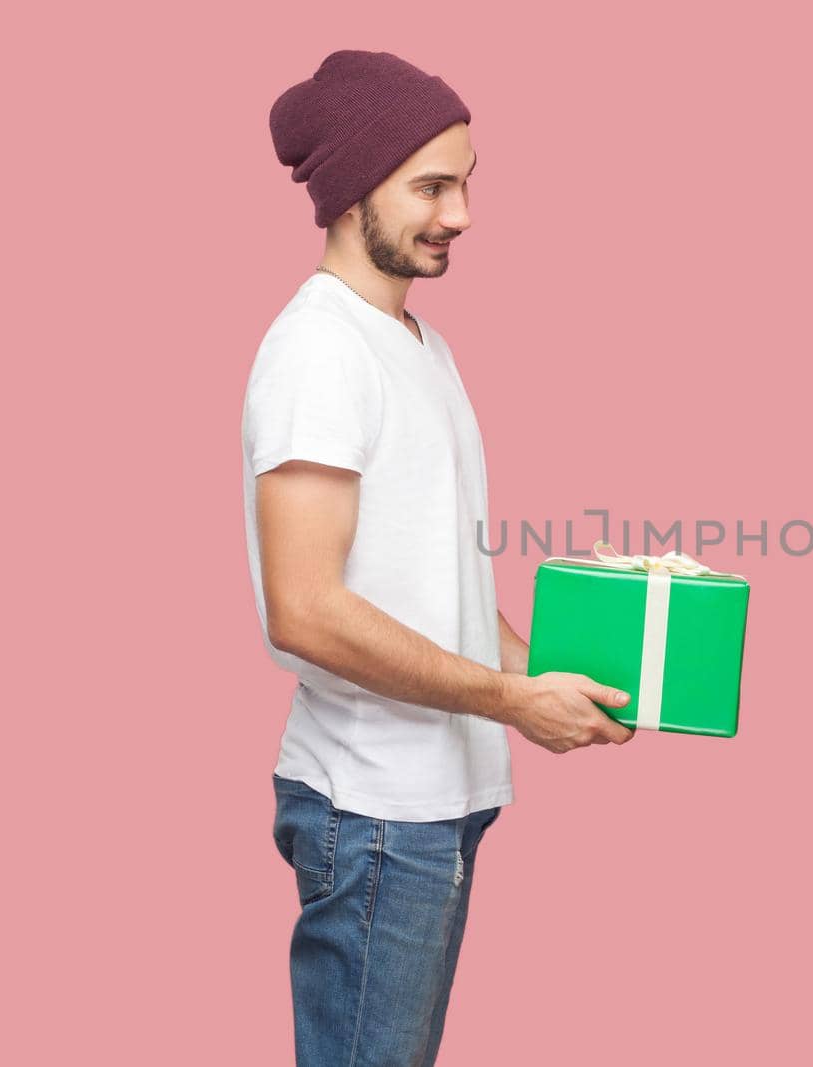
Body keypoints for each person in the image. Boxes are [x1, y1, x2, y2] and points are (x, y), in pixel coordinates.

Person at [245, 50, 635, 1066]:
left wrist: (569, 667)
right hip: (374, 805)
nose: (460, 213)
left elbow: (444, 590)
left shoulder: (415, 344)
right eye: (431, 186)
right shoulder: (318, 354)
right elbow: (306, 609)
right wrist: (512, 702)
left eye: (466, 182)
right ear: (350, 190)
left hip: (435, 800)